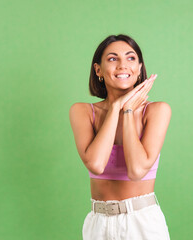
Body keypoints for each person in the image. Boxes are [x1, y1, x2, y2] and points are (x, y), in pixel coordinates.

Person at [69, 34, 171, 239]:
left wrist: (128, 111)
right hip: (98, 223)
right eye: (113, 58)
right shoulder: (82, 111)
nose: (123, 65)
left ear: (140, 68)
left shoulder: (157, 111)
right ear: (98, 69)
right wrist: (116, 107)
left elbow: (136, 171)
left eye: (131, 58)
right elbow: (96, 164)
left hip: (142, 223)